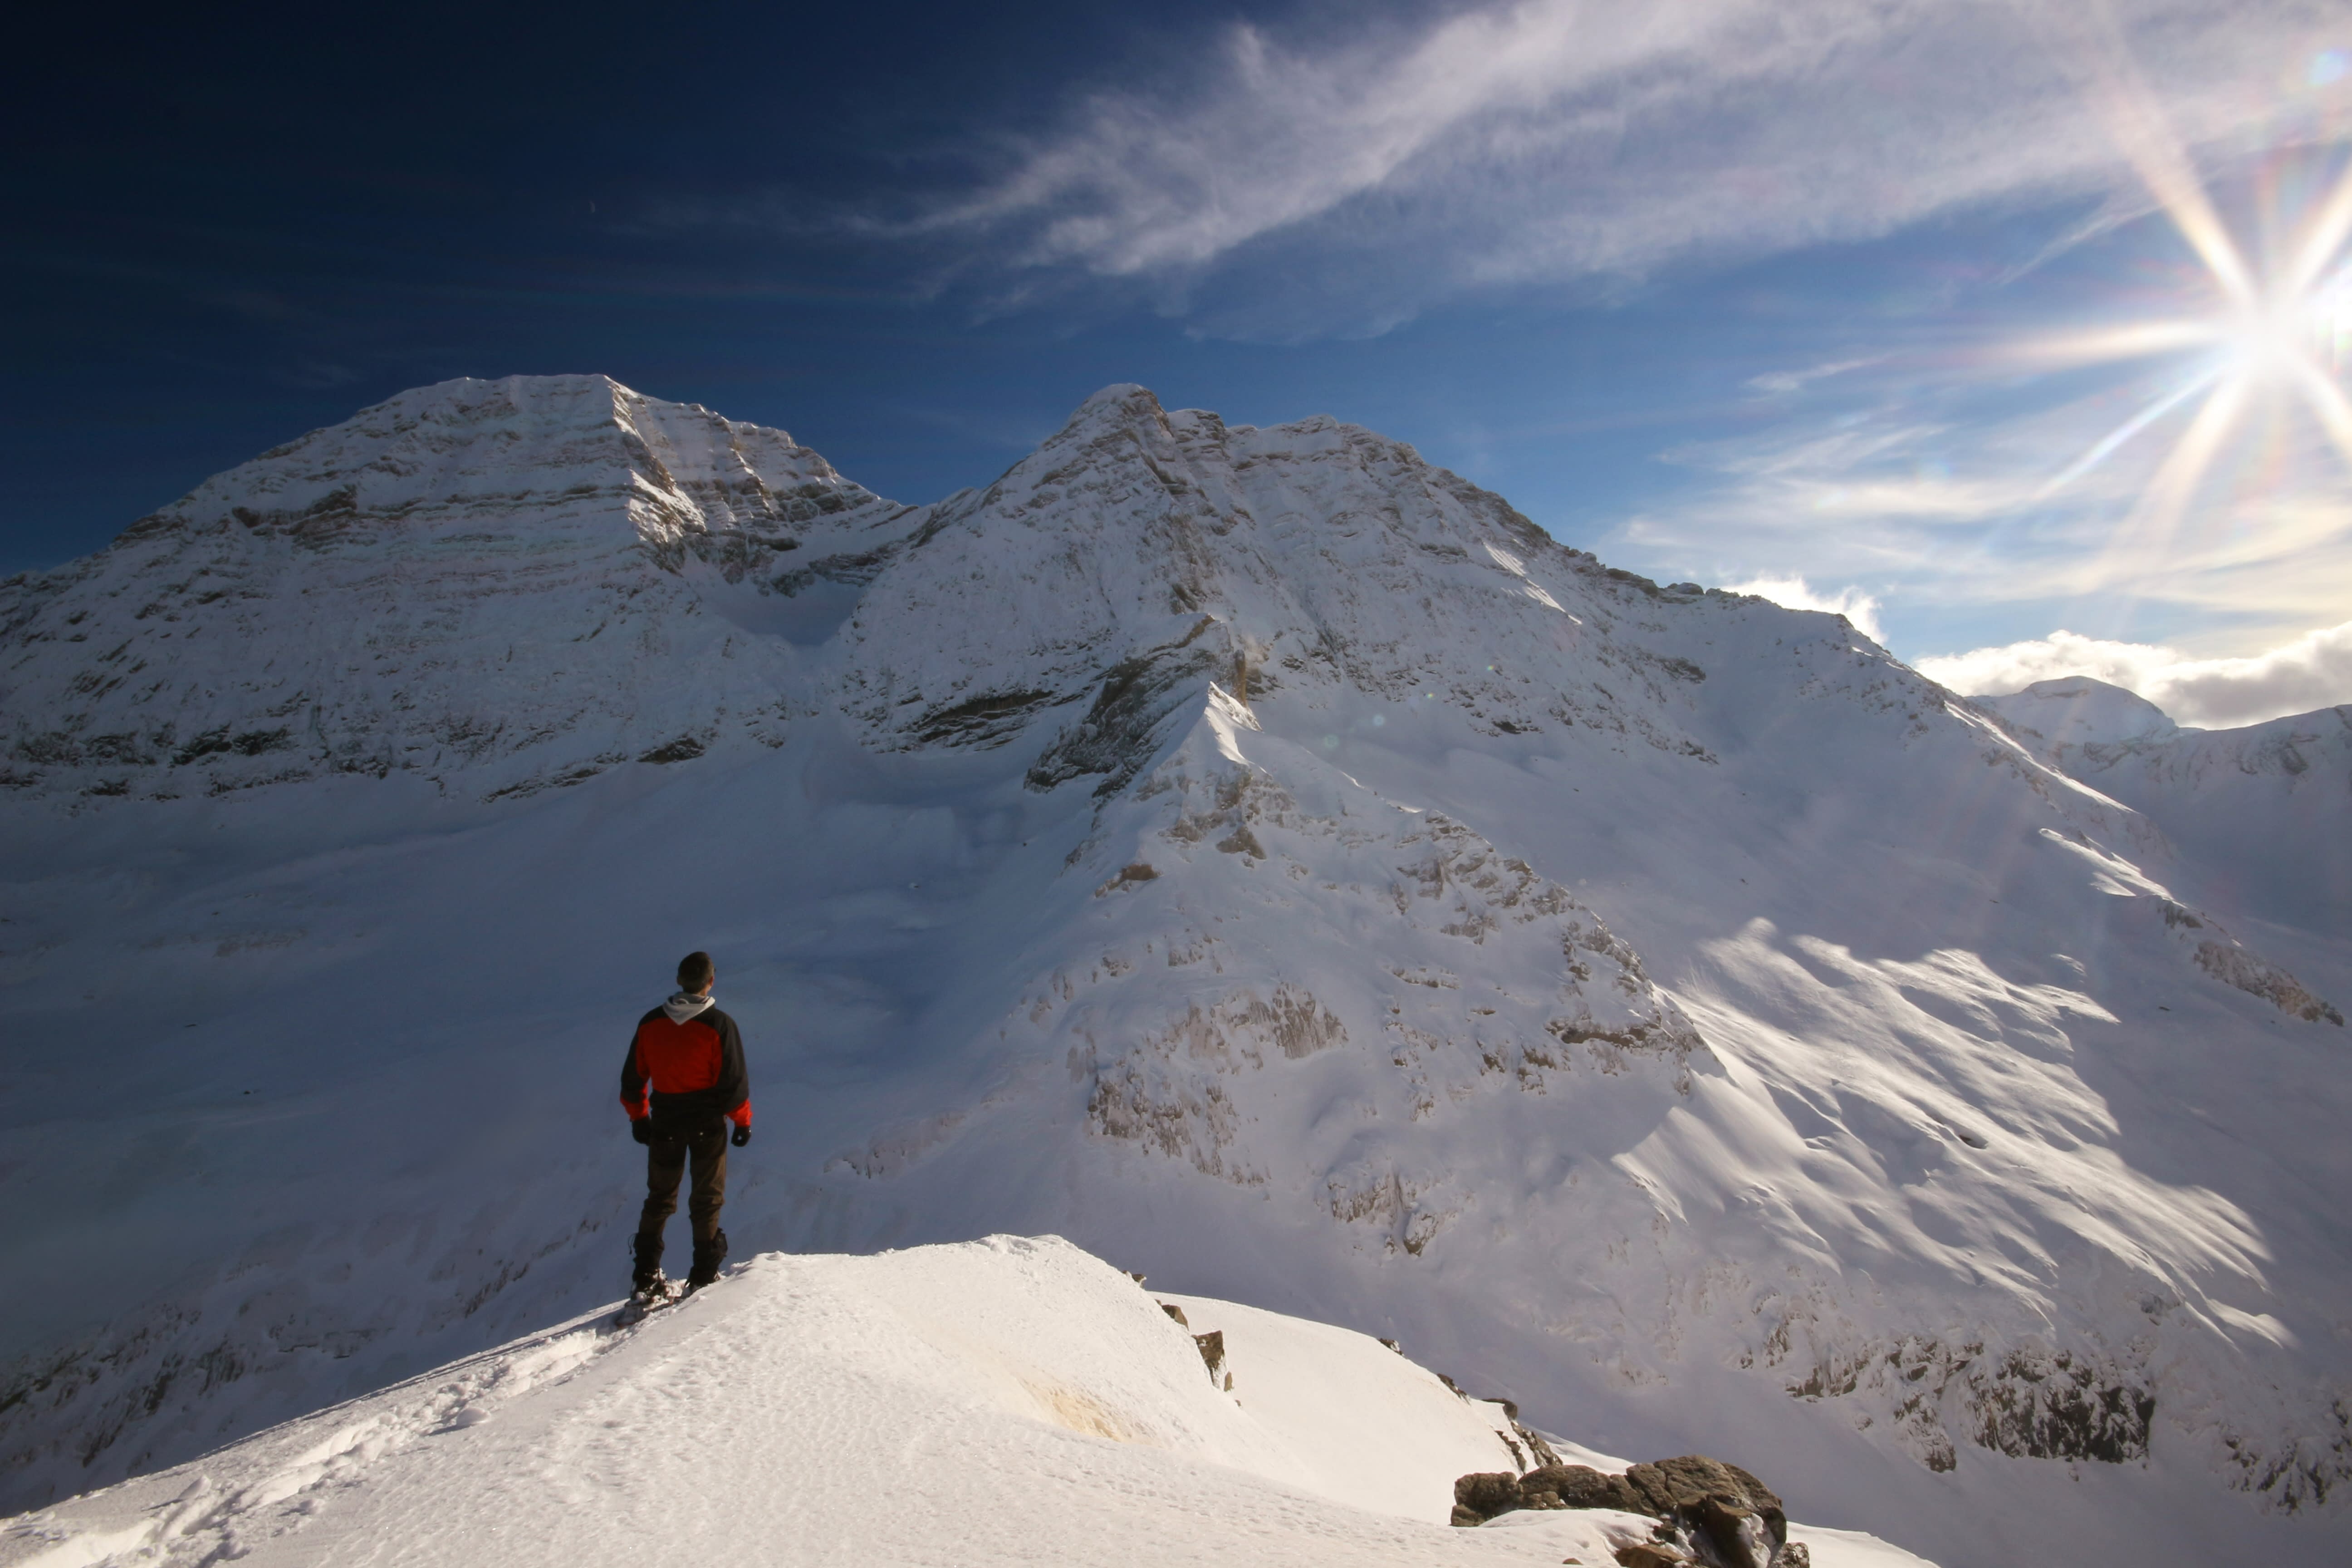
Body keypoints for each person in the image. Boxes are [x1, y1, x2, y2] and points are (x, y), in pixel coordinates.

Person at [619, 950, 750, 1294]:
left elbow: (634, 1078)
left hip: (665, 1121)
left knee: (660, 1196)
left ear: (679, 980)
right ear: (711, 982)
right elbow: (733, 1084)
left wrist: (639, 1118)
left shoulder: (651, 1023)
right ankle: (704, 1276)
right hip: (708, 1121)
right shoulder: (720, 1025)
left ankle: (645, 1277)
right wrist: (742, 1123)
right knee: (707, 1198)